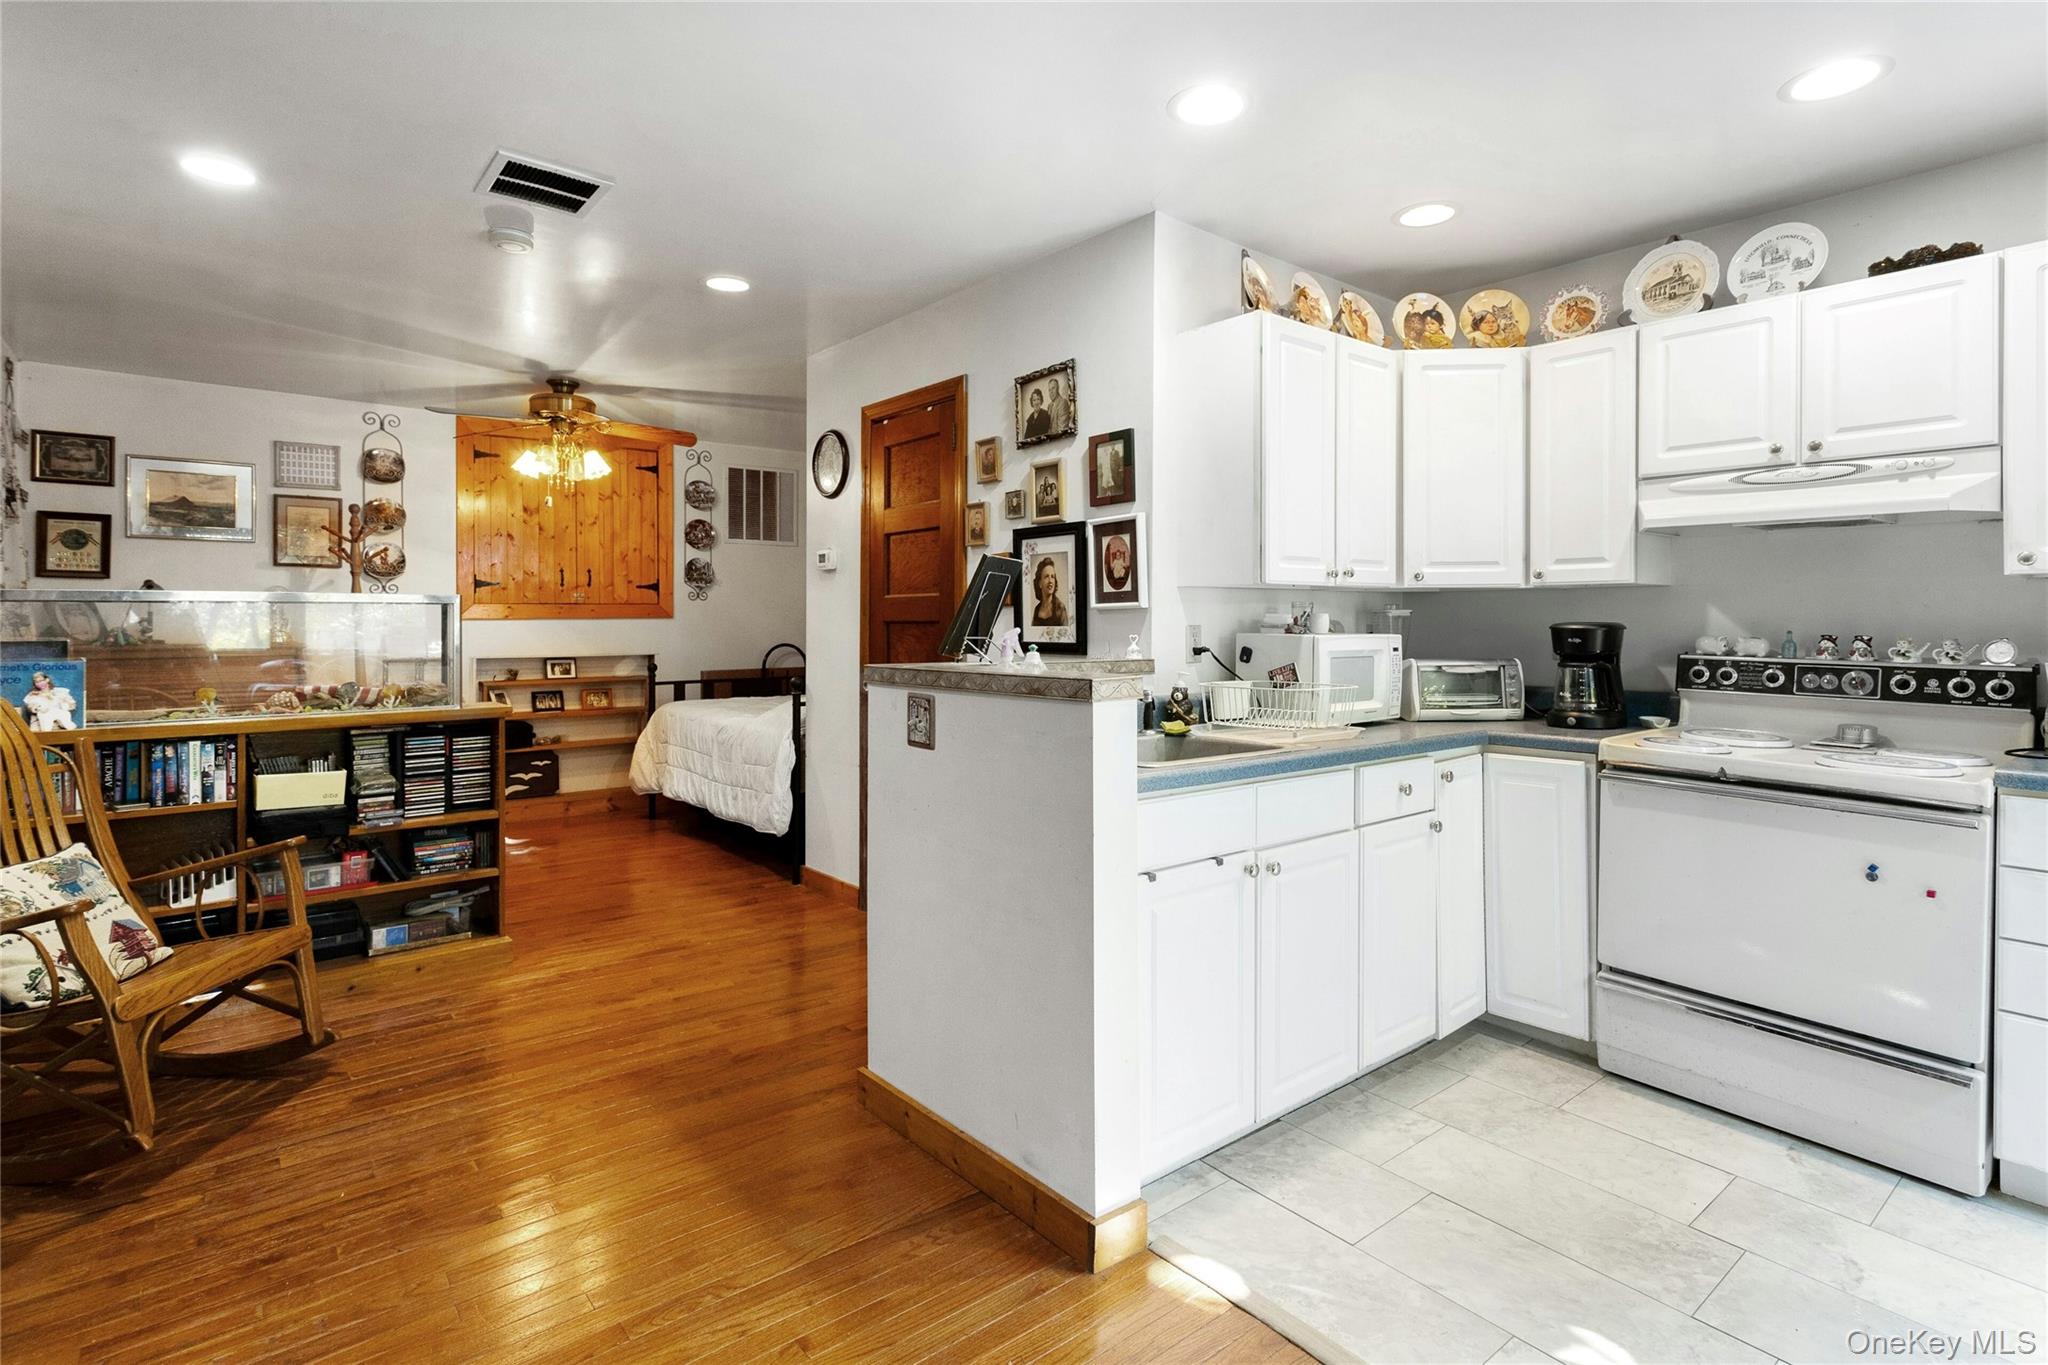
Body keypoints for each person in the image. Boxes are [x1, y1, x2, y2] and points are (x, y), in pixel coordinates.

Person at [1030, 556, 1068, 628]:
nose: (1050, 581)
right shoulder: (1037, 610)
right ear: (1040, 583)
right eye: (1046, 576)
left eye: (1052, 577)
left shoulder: (1060, 608)